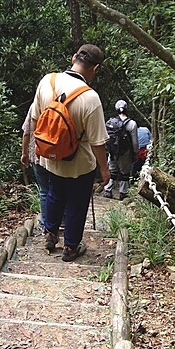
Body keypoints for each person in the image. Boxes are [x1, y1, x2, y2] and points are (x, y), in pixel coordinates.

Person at [30, 44, 110, 262]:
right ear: (96, 68)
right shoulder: (91, 98)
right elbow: (97, 142)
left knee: (55, 193)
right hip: (79, 162)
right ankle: (71, 247)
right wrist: (105, 170)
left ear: (74, 58)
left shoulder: (49, 81)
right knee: (77, 202)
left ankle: (50, 234)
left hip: (50, 155)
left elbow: (35, 119)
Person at [20, 106, 50, 233]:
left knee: (44, 190)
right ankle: (62, 220)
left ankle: (45, 223)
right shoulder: (61, 104)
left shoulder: (35, 106)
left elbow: (26, 132)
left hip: (37, 155)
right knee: (60, 189)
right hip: (57, 156)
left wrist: (24, 153)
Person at [103, 100, 139, 200]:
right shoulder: (132, 124)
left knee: (112, 171)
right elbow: (135, 142)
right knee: (125, 172)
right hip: (125, 153)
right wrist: (135, 153)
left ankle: (108, 190)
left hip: (112, 151)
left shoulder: (110, 122)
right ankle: (123, 192)